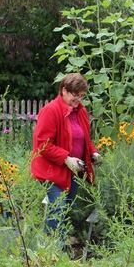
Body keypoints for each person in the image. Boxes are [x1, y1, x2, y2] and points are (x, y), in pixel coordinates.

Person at [31, 73, 100, 239]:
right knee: (58, 210)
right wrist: (66, 158)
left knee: (65, 209)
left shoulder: (80, 111)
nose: (78, 99)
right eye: (75, 95)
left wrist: (93, 152)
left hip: (74, 170)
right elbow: (43, 144)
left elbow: (85, 138)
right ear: (64, 90)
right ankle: (51, 252)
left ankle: (56, 250)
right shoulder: (51, 111)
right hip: (51, 172)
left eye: (82, 96)